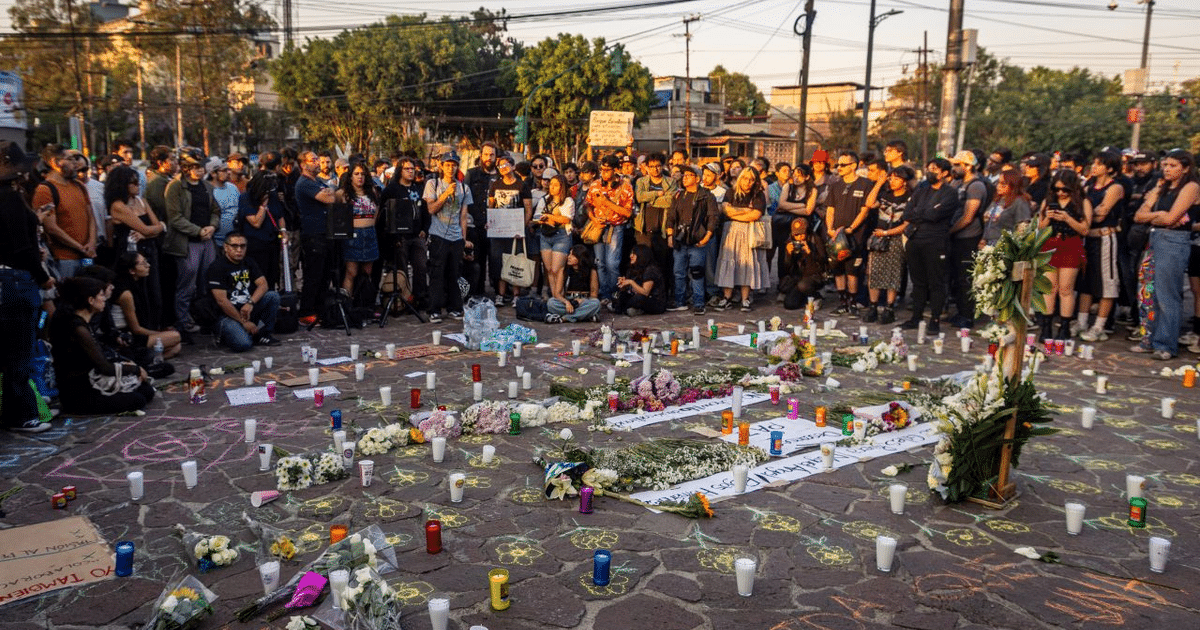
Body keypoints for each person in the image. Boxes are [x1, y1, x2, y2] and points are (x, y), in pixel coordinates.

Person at [0, 140, 55, 432]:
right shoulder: (9, 198)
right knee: (19, 351)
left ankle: (20, 408)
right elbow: (21, 248)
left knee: (13, 352)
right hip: (15, 280)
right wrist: (42, 274)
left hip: (9, 278)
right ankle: (21, 414)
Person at [49, 276, 156, 414]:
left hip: (94, 383)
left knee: (146, 390)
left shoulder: (82, 323)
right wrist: (136, 369)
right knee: (138, 400)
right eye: (100, 295)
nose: (104, 298)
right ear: (91, 300)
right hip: (81, 393)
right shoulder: (77, 328)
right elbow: (104, 367)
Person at [1131, 149, 1200, 360]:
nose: (1167, 169)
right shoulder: (1161, 186)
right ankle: (1148, 339)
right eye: (1165, 165)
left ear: (1185, 168)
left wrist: (1158, 216)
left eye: (1173, 166)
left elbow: (1171, 218)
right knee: (1147, 292)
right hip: (1153, 239)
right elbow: (1139, 215)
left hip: (1173, 242)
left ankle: (1165, 344)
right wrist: (1158, 214)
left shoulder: (1191, 187)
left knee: (1167, 294)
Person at [901, 158, 960, 334]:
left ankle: (934, 320)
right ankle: (916, 317)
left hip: (936, 241)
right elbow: (907, 213)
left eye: (934, 169)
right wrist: (925, 212)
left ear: (944, 173)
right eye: (929, 168)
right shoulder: (921, 191)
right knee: (918, 282)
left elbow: (935, 215)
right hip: (915, 240)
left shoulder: (950, 193)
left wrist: (921, 212)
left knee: (936, 282)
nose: (930, 172)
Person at [164, 149, 219, 334]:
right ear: (186, 168)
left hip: (207, 240)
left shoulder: (207, 186)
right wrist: (198, 231)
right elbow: (175, 218)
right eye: (196, 166)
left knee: (208, 280)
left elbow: (215, 211)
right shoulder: (175, 186)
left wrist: (212, 226)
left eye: (201, 166)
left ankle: (204, 316)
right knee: (187, 283)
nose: (200, 170)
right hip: (188, 241)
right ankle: (183, 320)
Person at [1036, 169, 1092, 347]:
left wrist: (1067, 218)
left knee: (1066, 289)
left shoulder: (1082, 202)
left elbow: (1085, 229)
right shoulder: (1048, 201)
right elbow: (1040, 227)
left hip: (1071, 244)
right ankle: (1046, 327)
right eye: (1057, 189)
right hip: (1050, 244)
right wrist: (1048, 218)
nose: (1060, 193)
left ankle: (1064, 327)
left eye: (1065, 189)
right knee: (1049, 288)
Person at [106, 164, 165, 328]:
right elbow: (149, 228)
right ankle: (141, 330)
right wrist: (156, 228)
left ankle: (155, 328)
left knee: (155, 293)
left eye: (138, 182)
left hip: (150, 250)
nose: (138, 186)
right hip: (131, 255)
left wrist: (152, 231)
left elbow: (155, 227)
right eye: (133, 183)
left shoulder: (142, 200)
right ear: (123, 185)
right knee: (139, 294)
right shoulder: (118, 205)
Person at [1077, 151, 1127, 342]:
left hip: (1105, 237)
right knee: (1086, 281)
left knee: (1107, 283)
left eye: (1099, 164)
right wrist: (1087, 214)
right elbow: (1082, 209)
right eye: (1094, 163)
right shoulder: (1088, 186)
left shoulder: (1115, 187)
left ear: (1110, 168)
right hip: (1088, 237)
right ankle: (1081, 322)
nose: (1094, 167)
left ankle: (1099, 326)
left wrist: (1086, 214)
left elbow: (1101, 213)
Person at [205, 231, 281, 351]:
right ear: (226, 247)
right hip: (227, 315)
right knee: (243, 344)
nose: (239, 250)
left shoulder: (249, 262)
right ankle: (226, 335)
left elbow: (263, 285)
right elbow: (222, 301)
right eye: (234, 246)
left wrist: (250, 303)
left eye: (242, 246)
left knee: (272, 296)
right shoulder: (217, 267)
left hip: (247, 308)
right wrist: (243, 322)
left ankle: (264, 334)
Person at [33, 145, 95, 279]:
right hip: (65, 259)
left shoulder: (79, 186)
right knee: (69, 289)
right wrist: (80, 248)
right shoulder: (45, 190)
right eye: (70, 159)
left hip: (87, 256)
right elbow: (51, 228)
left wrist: (91, 243)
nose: (76, 163)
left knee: (90, 286)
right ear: (55, 163)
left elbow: (91, 217)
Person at [424, 151, 472, 324]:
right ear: (441, 166)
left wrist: (463, 239)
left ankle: (454, 307)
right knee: (437, 273)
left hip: (456, 236)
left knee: (454, 273)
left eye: (453, 165)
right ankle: (434, 309)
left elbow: (463, 216)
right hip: (438, 235)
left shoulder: (464, 188)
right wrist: (445, 194)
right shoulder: (433, 184)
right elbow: (431, 209)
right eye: (447, 165)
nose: (450, 168)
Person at [824, 152, 874, 316]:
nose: (839, 168)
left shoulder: (865, 184)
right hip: (835, 235)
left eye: (843, 165)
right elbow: (830, 209)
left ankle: (853, 303)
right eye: (838, 165)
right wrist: (830, 228)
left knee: (852, 271)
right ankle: (842, 302)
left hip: (854, 236)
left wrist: (851, 228)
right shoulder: (836, 185)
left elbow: (864, 211)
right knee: (838, 270)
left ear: (853, 166)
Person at [664, 165, 718, 315]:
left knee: (697, 272)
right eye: (684, 175)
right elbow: (671, 217)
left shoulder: (706, 196)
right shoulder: (679, 195)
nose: (685, 178)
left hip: (697, 240)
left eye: (689, 175)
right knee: (678, 273)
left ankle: (699, 303)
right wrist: (670, 235)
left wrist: (706, 237)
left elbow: (713, 218)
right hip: (680, 240)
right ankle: (680, 302)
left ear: (697, 179)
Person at [379, 157, 430, 313]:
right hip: (400, 236)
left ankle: (420, 298)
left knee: (421, 266)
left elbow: (425, 210)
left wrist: (425, 229)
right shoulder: (391, 189)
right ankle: (403, 299)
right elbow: (384, 213)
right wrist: (392, 236)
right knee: (401, 270)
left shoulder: (418, 188)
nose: (410, 172)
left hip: (417, 234)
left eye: (412, 169)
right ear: (400, 171)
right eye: (407, 169)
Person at [715, 167, 770, 312]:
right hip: (731, 232)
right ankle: (727, 297)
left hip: (749, 232)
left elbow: (755, 215)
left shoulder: (758, 194)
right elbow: (726, 210)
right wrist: (745, 210)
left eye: (751, 179)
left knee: (747, 263)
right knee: (729, 262)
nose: (748, 182)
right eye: (745, 178)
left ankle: (745, 298)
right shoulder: (731, 192)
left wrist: (737, 213)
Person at [863, 166, 913, 324]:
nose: (893, 181)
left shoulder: (910, 198)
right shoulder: (885, 195)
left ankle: (889, 308)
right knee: (874, 272)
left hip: (895, 238)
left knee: (894, 273)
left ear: (904, 181)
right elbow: (869, 203)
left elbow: (907, 224)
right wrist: (879, 184)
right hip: (879, 237)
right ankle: (873, 306)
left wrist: (887, 233)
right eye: (891, 178)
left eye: (897, 179)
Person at [947, 151, 992, 328]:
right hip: (957, 235)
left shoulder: (976, 186)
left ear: (968, 166)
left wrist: (950, 231)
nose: (954, 168)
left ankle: (967, 315)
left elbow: (968, 216)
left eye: (957, 165)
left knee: (965, 277)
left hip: (968, 236)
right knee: (956, 277)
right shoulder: (958, 183)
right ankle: (960, 311)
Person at [111, 252, 182, 360]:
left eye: (146, 262)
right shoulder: (125, 294)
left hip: (136, 334)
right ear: (132, 270)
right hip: (126, 336)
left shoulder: (136, 284)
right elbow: (136, 329)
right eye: (143, 264)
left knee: (176, 347)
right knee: (175, 336)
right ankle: (140, 359)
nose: (148, 265)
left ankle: (147, 360)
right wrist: (159, 334)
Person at [295, 151, 336, 325]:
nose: (317, 162)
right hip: (313, 234)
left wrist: (329, 191)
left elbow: (332, 192)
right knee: (313, 274)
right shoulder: (304, 183)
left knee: (325, 274)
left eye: (317, 159)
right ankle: (306, 312)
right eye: (313, 160)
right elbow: (328, 198)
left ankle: (320, 309)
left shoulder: (317, 181)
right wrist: (328, 192)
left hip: (325, 232)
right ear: (303, 164)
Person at [586, 155, 634, 304]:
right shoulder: (595, 184)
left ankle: (615, 294)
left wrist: (607, 203)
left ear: (616, 170)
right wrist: (593, 219)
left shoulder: (625, 187)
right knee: (600, 263)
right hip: (598, 227)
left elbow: (628, 213)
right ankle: (605, 294)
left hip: (616, 227)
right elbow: (588, 204)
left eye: (607, 170)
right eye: (602, 169)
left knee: (612, 263)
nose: (604, 173)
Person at [633, 153, 677, 307]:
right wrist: (657, 194)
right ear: (646, 167)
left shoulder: (670, 182)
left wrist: (650, 199)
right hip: (643, 230)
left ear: (663, 166)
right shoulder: (641, 181)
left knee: (663, 265)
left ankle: (663, 296)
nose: (655, 169)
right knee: (642, 263)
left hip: (662, 230)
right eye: (651, 166)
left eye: (658, 166)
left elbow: (670, 201)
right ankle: (642, 295)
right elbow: (639, 197)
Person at [240, 153, 288, 291]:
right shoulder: (246, 198)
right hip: (255, 244)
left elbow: (279, 216)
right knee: (258, 279)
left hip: (272, 243)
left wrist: (283, 231)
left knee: (272, 277)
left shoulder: (273, 195)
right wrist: (263, 205)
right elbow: (256, 222)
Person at [337, 162, 380, 300]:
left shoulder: (372, 192)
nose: (360, 177)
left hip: (370, 233)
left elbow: (377, 211)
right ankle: (347, 303)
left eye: (362, 174)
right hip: (353, 235)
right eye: (356, 174)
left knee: (367, 272)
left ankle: (364, 303)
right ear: (350, 176)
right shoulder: (343, 194)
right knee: (352, 272)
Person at [487, 154, 526, 306]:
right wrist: (490, 222)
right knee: (499, 263)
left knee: (515, 262)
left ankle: (516, 295)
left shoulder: (521, 185)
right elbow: (491, 206)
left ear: (513, 166)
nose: (503, 168)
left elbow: (528, 208)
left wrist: (522, 226)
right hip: (499, 231)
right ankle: (500, 294)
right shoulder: (495, 185)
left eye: (506, 165)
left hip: (515, 230)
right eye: (500, 166)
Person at [533, 172, 575, 299]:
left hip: (561, 235)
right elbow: (536, 216)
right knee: (549, 269)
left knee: (558, 268)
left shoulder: (567, 200)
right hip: (545, 235)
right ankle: (554, 297)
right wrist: (543, 219)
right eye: (551, 184)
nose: (552, 187)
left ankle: (560, 295)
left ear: (562, 187)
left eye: (556, 185)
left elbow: (566, 219)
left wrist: (549, 217)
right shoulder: (544, 199)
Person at [466, 142, 499, 296]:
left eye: (491, 154)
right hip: (476, 225)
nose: (488, 158)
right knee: (477, 260)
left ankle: (498, 293)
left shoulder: (501, 176)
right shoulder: (471, 174)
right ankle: (477, 292)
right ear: (481, 155)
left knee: (496, 261)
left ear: (496, 156)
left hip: (497, 225)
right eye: (485, 154)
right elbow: (465, 198)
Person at [779, 217, 828, 310]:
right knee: (789, 303)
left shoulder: (815, 239)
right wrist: (788, 254)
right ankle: (805, 298)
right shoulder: (790, 242)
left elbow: (821, 263)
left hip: (814, 276)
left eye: (802, 234)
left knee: (803, 285)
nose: (800, 237)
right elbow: (786, 267)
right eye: (796, 235)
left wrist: (809, 253)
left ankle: (816, 296)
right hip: (798, 277)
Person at [546, 244, 601, 323]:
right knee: (551, 303)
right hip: (568, 301)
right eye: (569, 254)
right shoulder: (563, 270)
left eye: (572, 255)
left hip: (583, 301)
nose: (569, 257)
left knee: (596, 304)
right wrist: (567, 302)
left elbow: (594, 294)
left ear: (580, 257)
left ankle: (566, 318)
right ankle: (584, 315)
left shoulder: (591, 271)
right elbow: (557, 294)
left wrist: (581, 301)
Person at [980, 170, 1033, 247]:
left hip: (1004, 246)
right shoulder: (998, 199)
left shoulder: (1019, 202)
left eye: (1003, 184)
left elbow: (1023, 228)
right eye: (998, 183)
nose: (998, 186)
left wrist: (1013, 247)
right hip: (988, 244)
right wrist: (984, 239)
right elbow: (989, 223)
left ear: (1013, 185)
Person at [615, 243, 666, 316]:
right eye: (631, 253)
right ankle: (626, 307)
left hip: (653, 301)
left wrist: (631, 282)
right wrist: (623, 284)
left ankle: (624, 307)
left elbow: (645, 292)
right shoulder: (632, 268)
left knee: (639, 298)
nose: (631, 256)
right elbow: (627, 290)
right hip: (636, 296)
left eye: (634, 254)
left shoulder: (650, 270)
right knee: (620, 296)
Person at [208, 157, 241, 245]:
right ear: (213, 173)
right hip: (216, 241)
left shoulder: (232, 187)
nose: (228, 172)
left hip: (235, 240)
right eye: (224, 170)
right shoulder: (209, 191)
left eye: (228, 170)